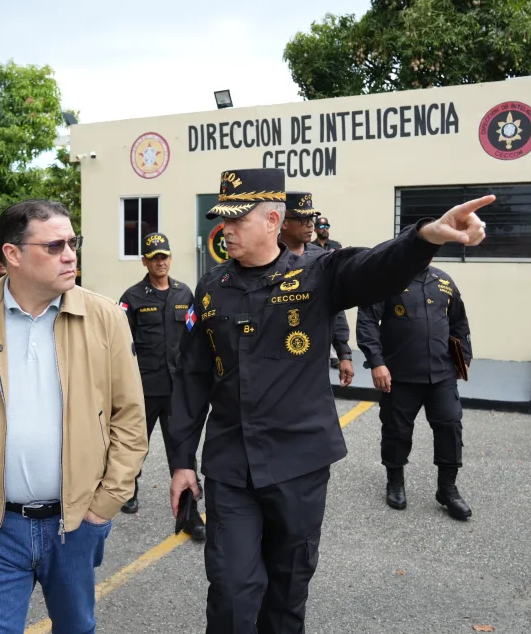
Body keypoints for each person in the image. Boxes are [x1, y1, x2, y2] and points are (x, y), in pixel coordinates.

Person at [167, 167, 492, 634]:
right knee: (231, 589)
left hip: (298, 463)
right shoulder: (211, 287)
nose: (226, 228)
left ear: (274, 219)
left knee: (288, 588)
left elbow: (376, 267)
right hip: (231, 465)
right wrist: (181, 460)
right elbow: (193, 376)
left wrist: (425, 237)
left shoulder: (319, 273)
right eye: (223, 218)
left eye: (238, 218)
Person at [0, 198, 147, 633]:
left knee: (75, 628)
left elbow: (130, 418)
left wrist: (105, 504)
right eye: (54, 246)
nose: (70, 254)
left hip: (75, 523)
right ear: (12, 254)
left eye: (73, 242)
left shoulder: (104, 317)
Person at [356, 263, 474, 520]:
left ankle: (447, 489)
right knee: (396, 430)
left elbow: (459, 322)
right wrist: (377, 362)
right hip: (400, 374)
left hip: (442, 373)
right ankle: (395, 480)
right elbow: (367, 321)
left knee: (450, 425)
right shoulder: (387, 278)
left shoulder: (443, 280)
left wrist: (464, 356)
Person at [116, 232, 205, 539]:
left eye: (164, 257)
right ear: (145, 261)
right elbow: (121, 343)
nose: (160, 262)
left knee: (182, 449)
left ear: (170, 259)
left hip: (178, 388)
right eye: (154, 258)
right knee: (136, 443)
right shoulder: (132, 297)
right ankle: (128, 488)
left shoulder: (185, 294)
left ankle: (189, 513)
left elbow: (194, 338)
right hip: (144, 386)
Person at [279, 191, 354, 385]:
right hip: (275, 357)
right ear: (283, 222)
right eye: (303, 219)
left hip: (314, 358)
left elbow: (336, 307)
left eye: (311, 218)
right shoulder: (265, 258)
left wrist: (344, 352)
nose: (310, 224)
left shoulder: (322, 258)